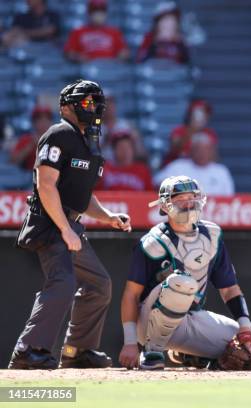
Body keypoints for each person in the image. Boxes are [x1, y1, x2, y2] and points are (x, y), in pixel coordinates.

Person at [9, 79, 132, 370]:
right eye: (88, 102)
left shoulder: (90, 142)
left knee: (99, 284)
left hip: (70, 225)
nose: (95, 107)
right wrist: (65, 229)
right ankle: (28, 351)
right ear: (66, 107)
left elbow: (82, 197)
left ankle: (78, 350)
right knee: (63, 282)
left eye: (96, 102)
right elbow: (46, 185)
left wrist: (109, 217)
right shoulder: (58, 133)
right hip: (51, 223)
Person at [118, 176, 251, 370]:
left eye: (192, 198)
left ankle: (188, 354)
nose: (188, 204)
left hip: (192, 317)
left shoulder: (211, 236)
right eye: (180, 199)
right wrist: (130, 343)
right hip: (148, 323)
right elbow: (131, 294)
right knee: (182, 282)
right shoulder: (153, 241)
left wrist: (245, 327)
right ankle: (153, 351)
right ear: (164, 205)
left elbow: (229, 289)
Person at [155, 132, 234, 196]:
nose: (202, 153)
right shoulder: (178, 166)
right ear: (191, 150)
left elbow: (229, 198)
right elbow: (158, 184)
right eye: (198, 149)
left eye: (206, 149)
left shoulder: (221, 171)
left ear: (212, 151)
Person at [64, 0, 129, 62]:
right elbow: (69, 53)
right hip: (86, 69)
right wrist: (78, 57)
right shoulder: (78, 32)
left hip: (109, 68)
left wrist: (120, 57)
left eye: (101, 11)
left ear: (106, 13)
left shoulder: (114, 32)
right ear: (89, 13)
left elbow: (124, 52)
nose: (98, 14)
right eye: (94, 11)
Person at [164, 99, 215, 165]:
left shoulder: (209, 133)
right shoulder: (178, 131)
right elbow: (175, 150)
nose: (204, 116)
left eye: (206, 113)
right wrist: (192, 129)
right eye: (200, 113)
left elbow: (213, 159)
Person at [10, 105, 54, 170]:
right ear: (33, 123)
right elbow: (12, 162)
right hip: (29, 177)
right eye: (39, 120)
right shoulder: (26, 139)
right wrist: (31, 145)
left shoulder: (59, 139)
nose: (44, 123)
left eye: (47, 119)